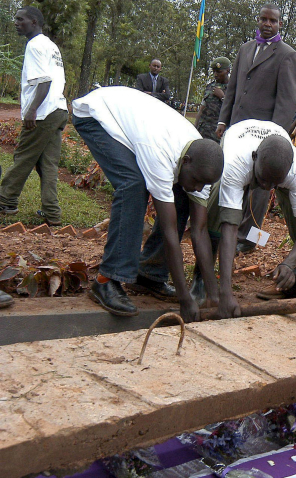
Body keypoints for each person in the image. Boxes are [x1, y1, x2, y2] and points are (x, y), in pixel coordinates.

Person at [71, 87, 222, 321]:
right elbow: (172, 234)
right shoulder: (159, 153)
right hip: (97, 114)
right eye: (197, 181)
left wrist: (212, 292)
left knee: (183, 194)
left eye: (204, 184)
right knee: (132, 185)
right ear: (187, 161)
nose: (199, 188)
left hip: (138, 122)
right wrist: (185, 298)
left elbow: (200, 231)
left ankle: (150, 274)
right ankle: (106, 280)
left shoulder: (203, 167)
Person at [201, 120, 296, 311]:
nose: (266, 188)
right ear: (254, 157)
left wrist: (289, 264)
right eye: (263, 180)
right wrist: (226, 293)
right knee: (216, 211)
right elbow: (230, 226)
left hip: (272, 159)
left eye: (274, 184)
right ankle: (203, 284)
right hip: (239, 139)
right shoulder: (235, 161)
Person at [217, 3, 296, 254]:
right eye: (264, 19)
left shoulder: (286, 54)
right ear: (258, 20)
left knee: (260, 186)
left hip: (264, 133)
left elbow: (287, 100)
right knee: (234, 177)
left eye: (272, 21)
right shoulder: (245, 49)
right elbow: (233, 89)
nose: (267, 24)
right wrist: (224, 121)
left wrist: (274, 136)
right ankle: (229, 229)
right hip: (237, 128)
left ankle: (249, 238)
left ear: (279, 24)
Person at [0, 7, 68, 226]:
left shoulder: (35, 44)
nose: (16, 23)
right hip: (58, 109)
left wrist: (32, 109)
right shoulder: (51, 46)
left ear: (35, 22)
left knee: (24, 156)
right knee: (47, 164)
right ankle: (52, 213)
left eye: (21, 19)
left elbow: (44, 81)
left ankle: (5, 200)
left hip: (43, 112)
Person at [195, 57, 230, 142]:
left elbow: (235, 111)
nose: (215, 74)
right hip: (203, 131)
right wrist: (195, 127)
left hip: (219, 133)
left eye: (219, 72)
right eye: (214, 72)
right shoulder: (210, 87)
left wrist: (222, 97)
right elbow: (202, 109)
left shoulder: (234, 88)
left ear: (228, 71)